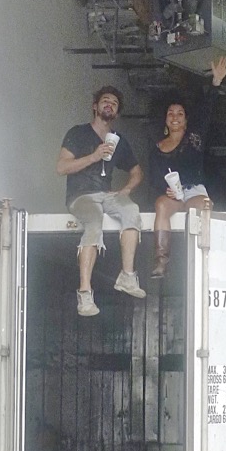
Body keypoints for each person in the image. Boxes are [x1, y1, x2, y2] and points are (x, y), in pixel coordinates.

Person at [56, 85, 145, 317]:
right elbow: (62, 167)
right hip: (80, 196)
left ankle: (127, 276)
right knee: (94, 222)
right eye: (105, 101)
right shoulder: (78, 133)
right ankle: (85, 294)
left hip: (107, 195)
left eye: (114, 104)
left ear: (116, 113)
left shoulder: (119, 141)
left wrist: (125, 190)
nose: (109, 105)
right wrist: (94, 156)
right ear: (95, 106)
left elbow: (137, 172)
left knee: (132, 210)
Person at [149, 53, 226, 278]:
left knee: (199, 209)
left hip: (194, 189)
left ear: (185, 120)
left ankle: (200, 261)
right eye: (171, 113)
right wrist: (163, 189)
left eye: (180, 114)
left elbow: (206, 111)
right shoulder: (157, 146)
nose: (175, 117)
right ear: (165, 119)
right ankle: (161, 262)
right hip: (173, 193)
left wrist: (215, 83)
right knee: (161, 206)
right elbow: (154, 176)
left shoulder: (194, 137)